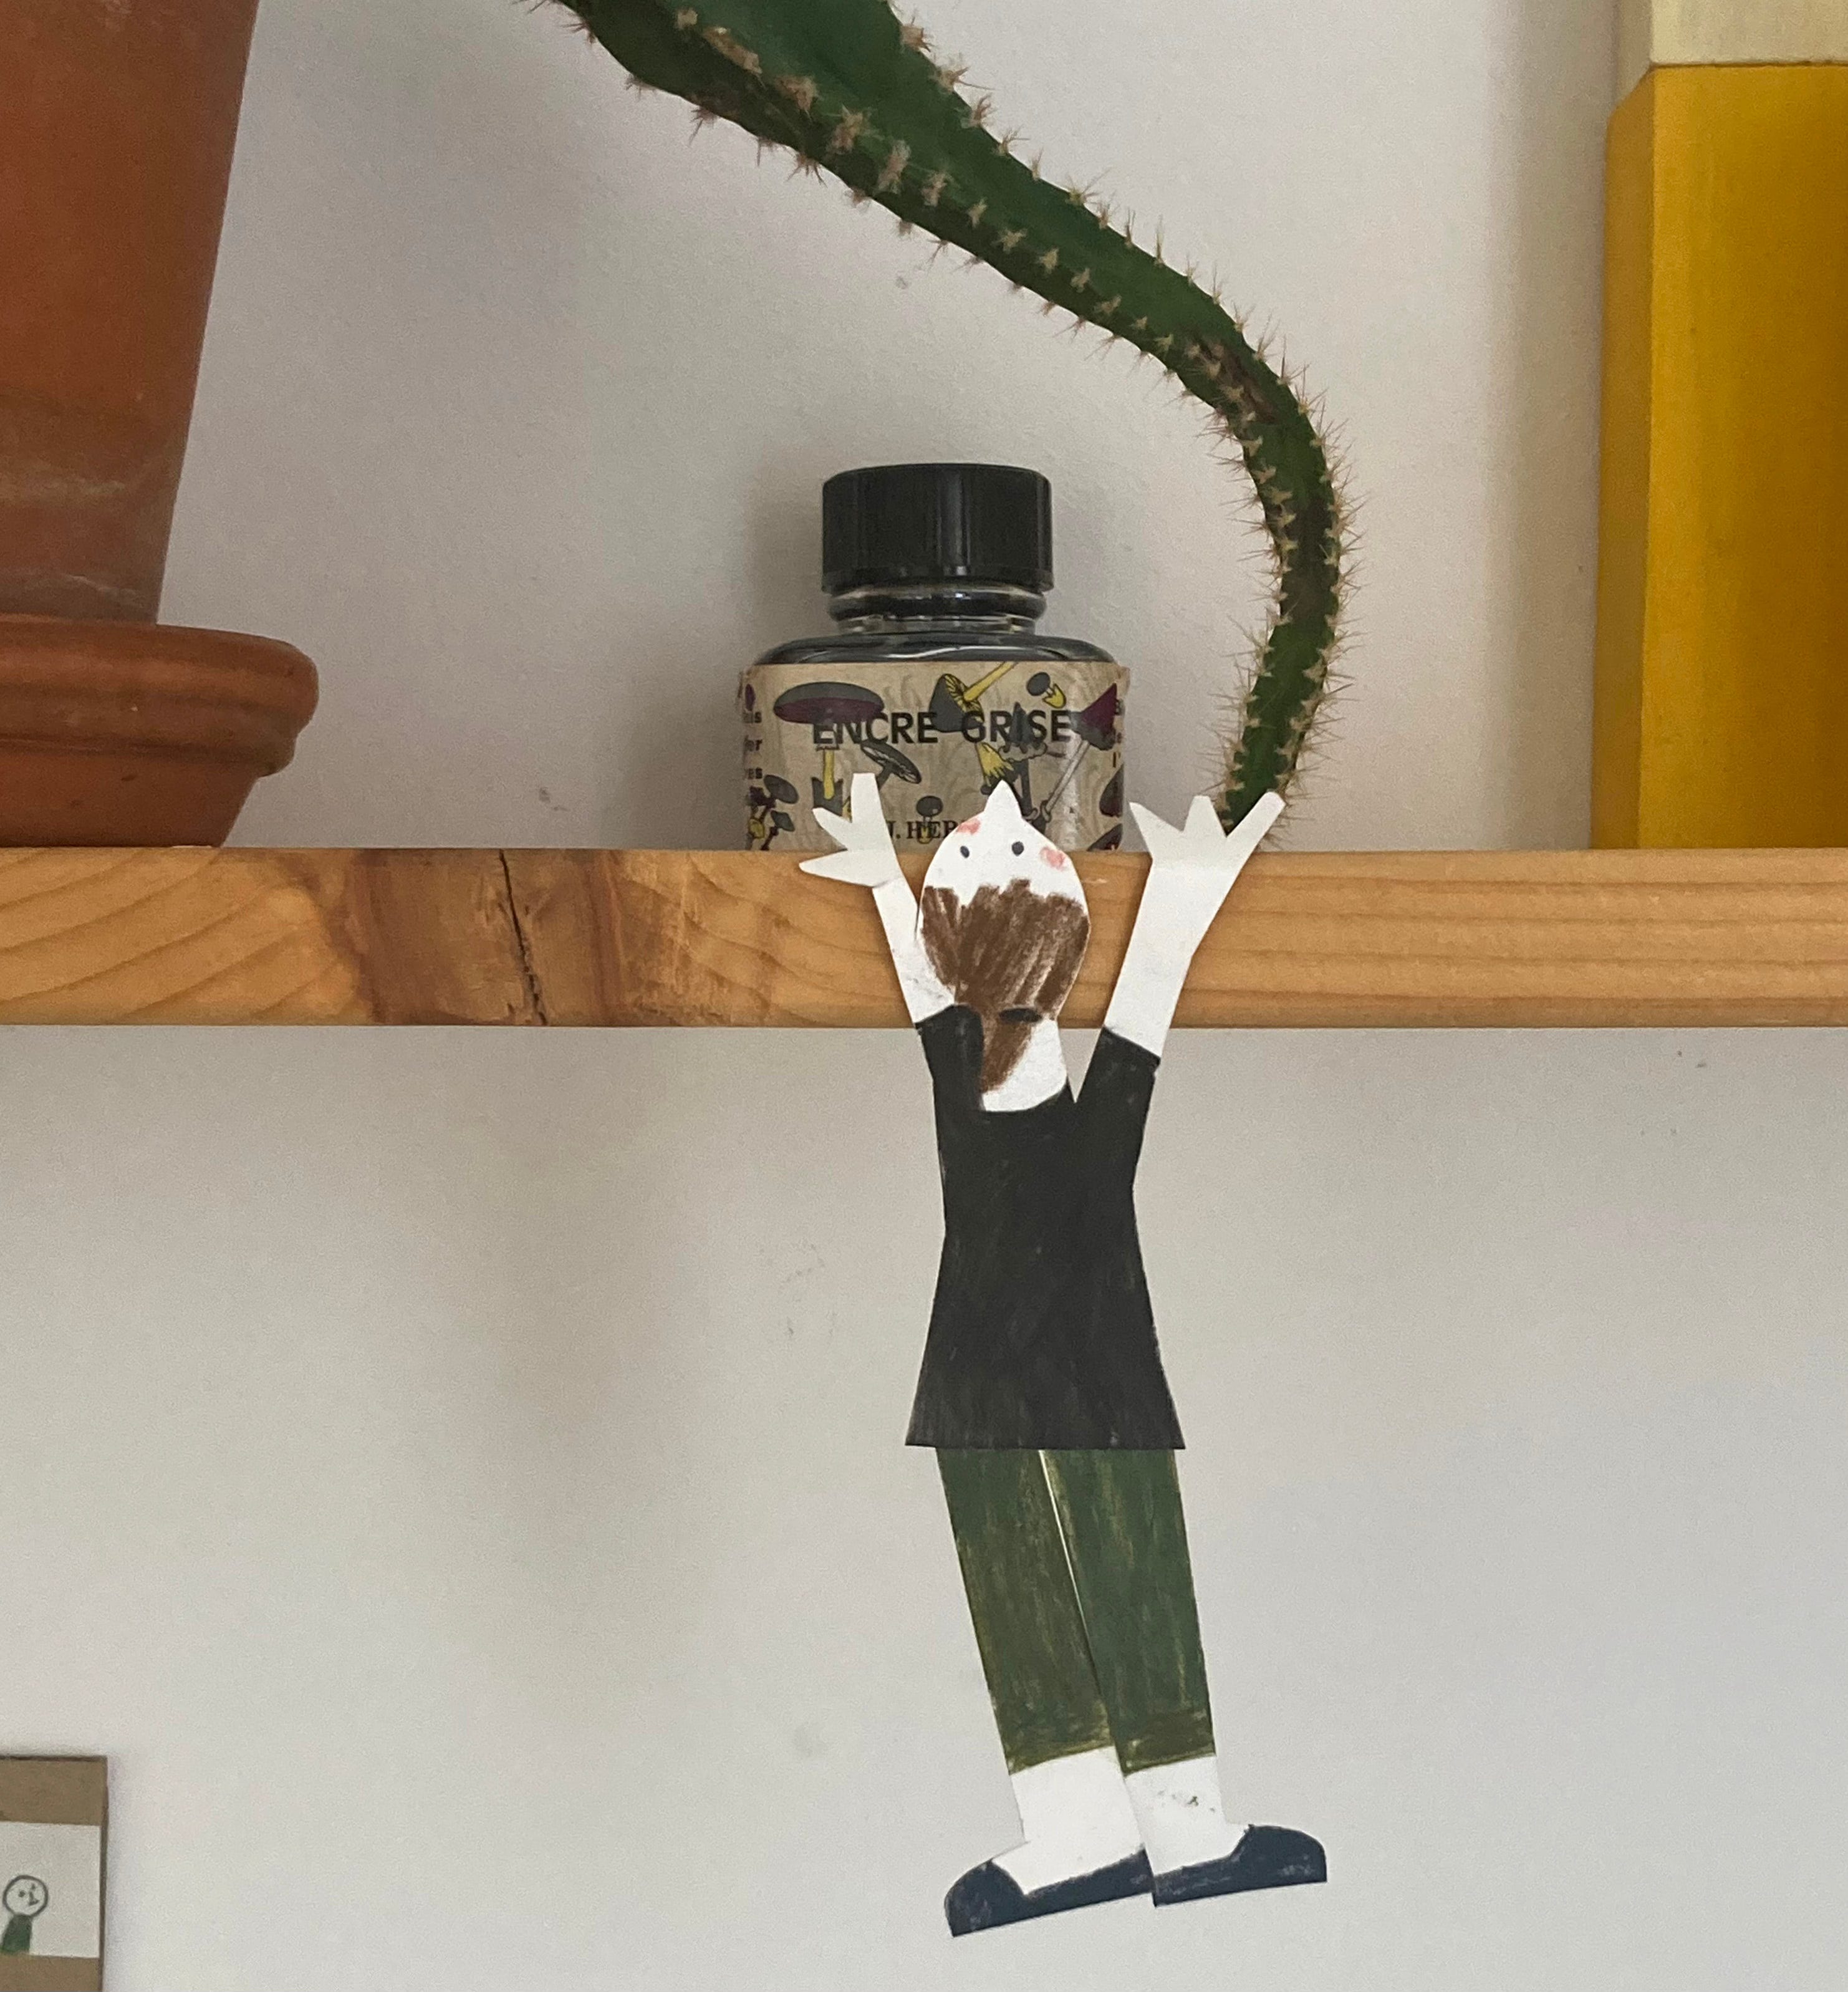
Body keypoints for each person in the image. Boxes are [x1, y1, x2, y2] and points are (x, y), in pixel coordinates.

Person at [804, 774, 1324, 1935]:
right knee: (1036, 1600)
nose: (997, 813)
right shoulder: (980, 1070)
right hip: (1028, 1377)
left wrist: (889, 882)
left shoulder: (991, 1076)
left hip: (1035, 1376)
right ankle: (1098, 1832)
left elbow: (1116, 1012)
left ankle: (1175, 1826)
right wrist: (888, 883)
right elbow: (1127, 1009)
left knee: (1115, 1591)